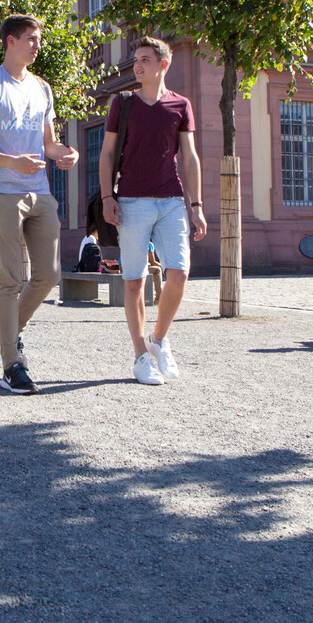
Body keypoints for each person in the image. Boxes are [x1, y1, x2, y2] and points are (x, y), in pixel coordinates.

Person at [0, 14, 79, 394]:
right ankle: (12, 364)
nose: (37, 45)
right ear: (10, 41)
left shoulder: (43, 88)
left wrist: (66, 153)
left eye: (39, 38)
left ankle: (9, 328)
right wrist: (13, 162)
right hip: (2, 189)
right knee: (11, 278)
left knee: (49, 276)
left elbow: (48, 143)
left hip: (40, 189)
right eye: (30, 38)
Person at [98, 36, 207, 386]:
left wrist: (197, 205)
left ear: (163, 64)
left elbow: (189, 158)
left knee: (179, 272)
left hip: (172, 200)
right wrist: (106, 197)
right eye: (135, 59)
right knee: (134, 282)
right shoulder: (123, 104)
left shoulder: (180, 105)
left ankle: (158, 340)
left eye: (145, 58)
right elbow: (107, 154)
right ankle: (140, 356)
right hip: (131, 202)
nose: (137, 65)